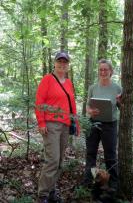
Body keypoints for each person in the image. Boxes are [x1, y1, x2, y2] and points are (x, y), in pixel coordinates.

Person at [35, 51, 79, 203]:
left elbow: (72, 105)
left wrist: (76, 124)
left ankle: (52, 191)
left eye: (65, 62)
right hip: (51, 124)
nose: (62, 64)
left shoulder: (68, 82)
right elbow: (39, 101)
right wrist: (41, 122)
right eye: (59, 62)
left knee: (60, 161)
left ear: (68, 65)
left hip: (66, 125)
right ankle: (43, 195)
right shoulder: (47, 79)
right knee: (52, 159)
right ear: (54, 63)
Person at [83, 59, 122, 199]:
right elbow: (87, 106)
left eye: (106, 69)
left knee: (110, 155)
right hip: (93, 124)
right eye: (101, 69)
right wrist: (90, 112)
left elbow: (122, 108)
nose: (103, 72)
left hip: (110, 125)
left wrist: (120, 102)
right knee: (91, 154)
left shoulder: (117, 88)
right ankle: (89, 182)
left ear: (111, 71)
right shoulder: (93, 87)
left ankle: (112, 186)